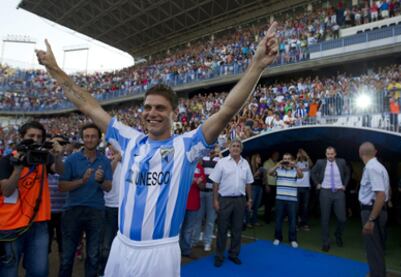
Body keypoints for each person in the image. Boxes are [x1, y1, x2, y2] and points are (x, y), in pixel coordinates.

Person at [36, 21, 279, 277]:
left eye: (160, 108)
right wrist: (54, 69)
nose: (152, 113)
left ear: (174, 113)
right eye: (148, 107)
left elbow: (227, 110)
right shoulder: (129, 140)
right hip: (121, 245)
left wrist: (256, 66)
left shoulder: (187, 146)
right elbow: (88, 105)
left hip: (159, 251)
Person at [0, 121, 64, 277]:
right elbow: (7, 191)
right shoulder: (6, 160)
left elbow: (61, 171)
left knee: (39, 271)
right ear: (22, 137)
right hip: (10, 225)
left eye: (39, 137)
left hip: (38, 223)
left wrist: (58, 156)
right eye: (31, 136)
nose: (35, 139)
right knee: (9, 270)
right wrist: (18, 168)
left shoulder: (44, 159)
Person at [58, 123, 112, 277]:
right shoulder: (72, 160)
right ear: (82, 138)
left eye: (93, 136)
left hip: (96, 211)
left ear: (98, 138)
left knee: (93, 256)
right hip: (72, 211)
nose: (90, 139)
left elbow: (108, 187)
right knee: (67, 257)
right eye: (87, 136)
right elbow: (62, 186)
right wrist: (82, 181)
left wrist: (101, 181)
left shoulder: (105, 161)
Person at [210, 139, 253, 267]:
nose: (235, 148)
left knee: (237, 229)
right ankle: (219, 256)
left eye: (238, 146)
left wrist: (250, 199)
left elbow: (249, 183)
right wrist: (215, 200)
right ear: (229, 148)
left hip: (240, 200)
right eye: (233, 146)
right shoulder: (222, 163)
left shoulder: (245, 164)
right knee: (222, 229)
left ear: (241, 149)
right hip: (225, 200)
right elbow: (215, 182)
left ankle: (233, 254)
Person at [358, 142, 389, 277]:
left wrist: (371, 219)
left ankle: (377, 274)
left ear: (360, 154)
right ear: (374, 152)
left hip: (372, 211)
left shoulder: (372, 168)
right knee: (376, 248)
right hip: (376, 210)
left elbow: (380, 195)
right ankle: (377, 273)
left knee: (373, 249)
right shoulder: (379, 166)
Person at [311, 146, 350, 252]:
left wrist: (344, 185)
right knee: (325, 219)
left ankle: (338, 234)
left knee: (342, 218)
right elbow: (312, 172)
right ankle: (326, 242)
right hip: (325, 192)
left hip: (339, 192)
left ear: (335, 154)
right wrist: (317, 184)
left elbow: (347, 173)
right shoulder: (320, 163)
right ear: (325, 154)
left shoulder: (341, 162)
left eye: (332, 154)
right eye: (328, 154)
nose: (330, 156)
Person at [269, 153, 303, 248]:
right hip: (280, 199)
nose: (286, 160)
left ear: (291, 160)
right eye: (284, 159)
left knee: (292, 220)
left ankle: (293, 239)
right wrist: (277, 164)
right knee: (278, 219)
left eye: (288, 159)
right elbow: (269, 172)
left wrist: (295, 165)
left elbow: (301, 176)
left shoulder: (294, 170)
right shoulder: (279, 169)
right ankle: (277, 238)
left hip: (292, 200)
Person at [99, 144, 122, 276]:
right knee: (106, 244)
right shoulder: (105, 160)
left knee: (122, 244)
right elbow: (107, 178)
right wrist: (116, 160)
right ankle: (103, 271)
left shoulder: (130, 160)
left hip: (124, 209)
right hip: (108, 207)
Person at [192, 146, 221, 252]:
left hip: (212, 193)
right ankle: (194, 240)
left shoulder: (219, 159)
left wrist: (219, 154)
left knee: (210, 220)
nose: (213, 148)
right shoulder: (203, 157)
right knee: (198, 218)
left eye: (214, 146)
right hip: (201, 192)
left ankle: (207, 242)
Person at [179, 161, 205, 259]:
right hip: (180, 203)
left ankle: (186, 250)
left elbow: (202, 186)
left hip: (194, 203)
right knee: (178, 228)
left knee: (189, 229)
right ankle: (176, 250)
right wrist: (190, 180)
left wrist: (199, 183)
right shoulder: (182, 164)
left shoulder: (199, 167)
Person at [296, 148, 313, 231]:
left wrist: (306, 155)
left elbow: (311, 164)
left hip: (306, 187)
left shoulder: (307, 162)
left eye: (302, 153)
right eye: (300, 153)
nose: (301, 154)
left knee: (305, 207)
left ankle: (304, 223)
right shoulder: (297, 163)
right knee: (297, 206)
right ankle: (297, 224)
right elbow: (293, 167)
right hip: (298, 187)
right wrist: (297, 157)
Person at [248, 153, 265, 227]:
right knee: (251, 204)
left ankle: (255, 221)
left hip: (260, 187)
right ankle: (247, 221)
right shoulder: (250, 167)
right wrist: (257, 173)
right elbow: (250, 178)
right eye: (258, 158)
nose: (260, 159)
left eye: (260, 158)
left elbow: (262, 179)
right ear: (255, 159)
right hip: (253, 188)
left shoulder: (260, 167)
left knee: (257, 205)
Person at [263, 151, 279, 224]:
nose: (277, 156)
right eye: (275, 155)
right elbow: (264, 175)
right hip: (269, 185)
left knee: (273, 203)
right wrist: (266, 185)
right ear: (272, 155)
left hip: (276, 185)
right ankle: (267, 219)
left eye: (278, 155)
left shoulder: (277, 163)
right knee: (268, 203)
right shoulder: (267, 163)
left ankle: (271, 217)